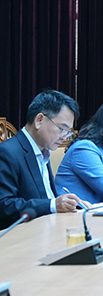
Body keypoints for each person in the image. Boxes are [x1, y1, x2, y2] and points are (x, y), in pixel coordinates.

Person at [0, 90, 83, 229]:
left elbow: (44, 196)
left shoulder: (42, 152)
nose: (64, 137)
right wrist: (53, 205)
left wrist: (71, 204)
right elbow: (4, 205)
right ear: (39, 120)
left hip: (49, 228)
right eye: (62, 129)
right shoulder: (8, 152)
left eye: (68, 132)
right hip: (23, 236)